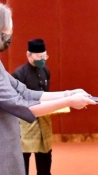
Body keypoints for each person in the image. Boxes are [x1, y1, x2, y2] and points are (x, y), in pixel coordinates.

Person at [0, 3, 97, 175]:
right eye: (8, 30)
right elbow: (21, 105)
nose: (10, 35)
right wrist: (68, 101)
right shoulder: (19, 71)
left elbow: (25, 92)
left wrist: (69, 93)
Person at [12, 39, 52, 175]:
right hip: (26, 121)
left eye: (44, 56)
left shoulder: (45, 70)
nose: (42, 59)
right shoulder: (19, 74)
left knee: (45, 154)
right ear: (29, 55)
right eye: (39, 57)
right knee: (24, 156)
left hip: (44, 119)